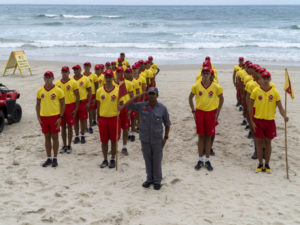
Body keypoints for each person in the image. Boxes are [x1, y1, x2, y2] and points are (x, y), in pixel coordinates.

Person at [119, 87, 171, 190]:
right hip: (145, 138)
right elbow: (128, 104)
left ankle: (157, 181)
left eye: (153, 94)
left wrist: (165, 138)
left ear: (157, 95)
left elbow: (167, 124)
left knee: (157, 160)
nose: (151, 96)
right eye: (150, 94)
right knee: (147, 160)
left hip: (157, 139)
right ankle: (149, 179)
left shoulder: (162, 108)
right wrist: (138, 96)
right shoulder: (142, 106)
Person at [249, 71, 288, 174]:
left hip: (270, 121)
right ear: (260, 80)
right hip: (258, 120)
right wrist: (252, 120)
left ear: (270, 80)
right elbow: (250, 106)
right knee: (259, 143)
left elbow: (280, 107)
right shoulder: (256, 91)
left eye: (267, 78)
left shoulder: (274, 92)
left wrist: (284, 116)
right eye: (264, 78)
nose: (265, 80)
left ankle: (267, 164)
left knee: (268, 143)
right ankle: (260, 164)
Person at [189, 67, 224, 171]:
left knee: (208, 136)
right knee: (200, 136)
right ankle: (200, 159)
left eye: (207, 73)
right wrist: (193, 111)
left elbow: (221, 98)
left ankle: (207, 160)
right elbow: (190, 98)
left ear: (210, 74)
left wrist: (218, 112)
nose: (205, 75)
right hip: (200, 112)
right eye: (203, 73)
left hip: (211, 113)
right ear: (201, 74)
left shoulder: (216, 87)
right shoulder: (196, 85)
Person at [36, 71, 65, 167]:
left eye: (49, 77)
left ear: (53, 78)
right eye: (46, 77)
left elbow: (62, 104)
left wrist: (60, 116)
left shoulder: (58, 90)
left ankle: (55, 158)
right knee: (47, 137)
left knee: (55, 137)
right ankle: (48, 158)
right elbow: (38, 104)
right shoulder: (40, 90)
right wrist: (38, 117)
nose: (48, 79)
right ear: (44, 78)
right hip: (44, 117)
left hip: (54, 117)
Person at [96, 69, 120, 169]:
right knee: (104, 141)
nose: (108, 79)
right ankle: (105, 159)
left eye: (110, 77)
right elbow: (98, 105)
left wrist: (120, 106)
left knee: (114, 141)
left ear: (113, 78)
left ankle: (113, 159)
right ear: (104, 78)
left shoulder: (118, 89)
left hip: (114, 118)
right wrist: (98, 117)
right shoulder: (99, 90)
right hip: (103, 118)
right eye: (107, 77)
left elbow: (121, 103)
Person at [55, 66, 80, 154]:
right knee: (62, 127)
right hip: (61, 107)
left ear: (69, 73)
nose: (64, 73)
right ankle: (64, 145)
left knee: (70, 127)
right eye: (63, 71)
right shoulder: (57, 83)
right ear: (61, 72)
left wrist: (76, 109)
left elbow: (78, 96)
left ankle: (69, 145)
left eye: (66, 71)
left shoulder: (73, 82)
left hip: (70, 106)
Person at [72, 65, 92, 144]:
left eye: (77, 69)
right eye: (74, 70)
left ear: (80, 70)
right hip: (74, 102)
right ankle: (76, 136)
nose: (76, 71)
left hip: (83, 101)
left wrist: (88, 102)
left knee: (83, 120)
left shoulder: (85, 79)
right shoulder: (71, 80)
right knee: (75, 120)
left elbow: (90, 91)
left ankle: (82, 135)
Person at [83, 62, 98, 133]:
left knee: (91, 111)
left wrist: (95, 97)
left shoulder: (94, 76)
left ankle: (90, 126)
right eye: (85, 66)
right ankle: (85, 127)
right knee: (85, 111)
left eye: (88, 66)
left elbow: (96, 87)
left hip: (92, 94)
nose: (86, 67)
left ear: (90, 67)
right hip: (84, 95)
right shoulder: (82, 75)